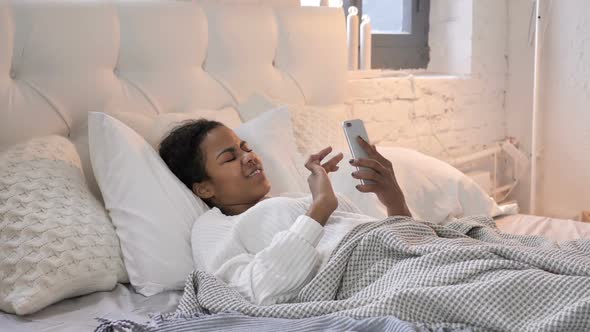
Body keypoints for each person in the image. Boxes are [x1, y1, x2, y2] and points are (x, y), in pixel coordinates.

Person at [159, 119, 411, 306]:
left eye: (246, 148)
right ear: (204, 188)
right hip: (383, 281)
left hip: (412, 258)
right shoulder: (213, 227)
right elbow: (256, 291)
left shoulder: (294, 199)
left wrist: (393, 199)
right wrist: (319, 209)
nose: (249, 157)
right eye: (230, 158)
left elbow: (402, 245)